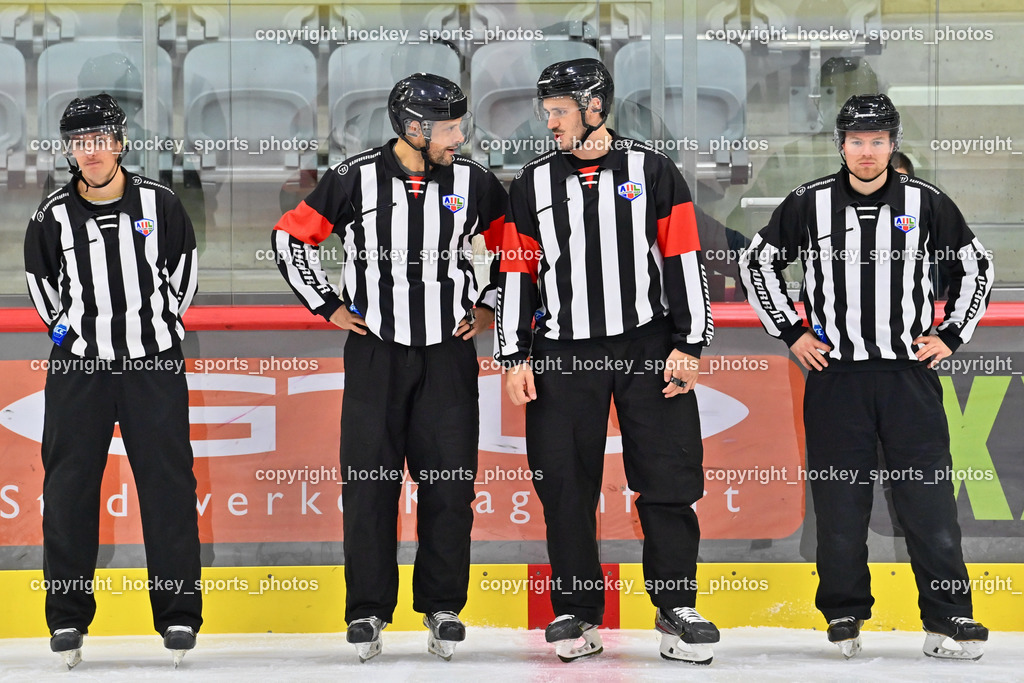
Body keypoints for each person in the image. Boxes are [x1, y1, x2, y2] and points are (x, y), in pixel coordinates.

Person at [739, 94, 993, 660]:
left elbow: (978, 263)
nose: (868, 152)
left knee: (928, 502)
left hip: (909, 377)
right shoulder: (810, 202)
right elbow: (757, 260)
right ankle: (845, 612)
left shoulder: (926, 202)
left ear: (893, 144)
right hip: (837, 377)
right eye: (857, 141)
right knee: (839, 501)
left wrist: (951, 335)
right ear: (841, 145)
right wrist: (791, 330)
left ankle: (951, 618)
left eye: (878, 141)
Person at [271, 73, 506, 662]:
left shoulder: (474, 181)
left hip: (449, 357)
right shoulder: (353, 178)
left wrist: (486, 303)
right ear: (413, 128)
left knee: (449, 487)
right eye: (450, 128)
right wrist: (326, 304)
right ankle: (368, 609)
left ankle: (443, 606)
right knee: (370, 487)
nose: (460, 136)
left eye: (460, 125)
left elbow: (518, 248)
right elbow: (288, 238)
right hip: (376, 356)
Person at [496, 58, 718, 664]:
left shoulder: (653, 170)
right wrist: (513, 351)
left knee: (669, 480)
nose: (551, 123)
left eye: (561, 112)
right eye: (548, 113)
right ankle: (576, 611)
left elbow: (683, 258)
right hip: (563, 352)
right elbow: (517, 272)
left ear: (596, 109)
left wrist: (691, 343)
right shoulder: (532, 181)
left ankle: (676, 609)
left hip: (649, 345)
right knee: (565, 483)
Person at [23, 93, 202, 669]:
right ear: (69, 150)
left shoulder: (162, 204)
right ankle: (67, 617)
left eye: (100, 139)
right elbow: (44, 292)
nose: (91, 152)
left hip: (153, 366)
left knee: (168, 487)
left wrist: (153, 333)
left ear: (120, 142)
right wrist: (80, 340)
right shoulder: (50, 216)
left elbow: (182, 278)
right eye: (79, 143)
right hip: (80, 370)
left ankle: (178, 614)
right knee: (70, 490)